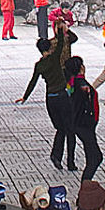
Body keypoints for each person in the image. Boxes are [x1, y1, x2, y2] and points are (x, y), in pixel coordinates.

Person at [20, 36, 74, 169]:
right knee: (69, 129)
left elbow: (33, 81)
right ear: (50, 48)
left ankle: (56, 155)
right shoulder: (54, 58)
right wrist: (61, 29)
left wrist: (25, 97)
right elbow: (61, 43)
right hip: (62, 96)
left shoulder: (39, 65)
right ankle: (70, 162)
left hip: (50, 98)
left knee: (60, 128)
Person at [62, 56, 104, 181]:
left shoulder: (72, 83)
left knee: (92, 157)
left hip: (80, 124)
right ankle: (85, 187)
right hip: (84, 124)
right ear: (81, 68)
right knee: (96, 157)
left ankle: (86, 186)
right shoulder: (82, 85)